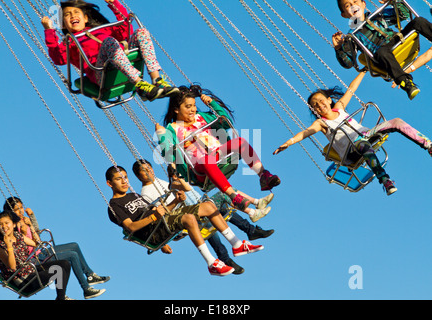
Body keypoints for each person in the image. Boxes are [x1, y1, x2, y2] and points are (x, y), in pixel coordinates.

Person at [273, 71, 432, 195]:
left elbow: (351, 88)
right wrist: (288, 143)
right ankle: (385, 180)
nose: (320, 105)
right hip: (350, 151)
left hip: (366, 135)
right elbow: (306, 132)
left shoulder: (340, 107)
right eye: (316, 105)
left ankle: (429, 146)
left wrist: (363, 70)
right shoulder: (321, 123)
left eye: (321, 101)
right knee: (362, 144)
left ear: (329, 100)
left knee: (396, 121)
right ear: (315, 111)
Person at [106, 165, 264, 276]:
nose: (124, 181)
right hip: (154, 230)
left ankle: (236, 244)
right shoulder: (114, 205)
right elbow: (131, 226)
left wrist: (176, 202)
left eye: (125, 178)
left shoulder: (134, 195)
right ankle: (212, 263)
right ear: (109, 183)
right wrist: (155, 219)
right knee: (188, 219)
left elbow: (160, 210)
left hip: (163, 220)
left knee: (208, 206)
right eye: (119, 179)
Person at [156, 84, 280, 213]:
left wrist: (212, 104)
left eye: (193, 105)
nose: (193, 109)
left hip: (219, 155)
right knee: (206, 159)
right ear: (176, 109)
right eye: (188, 107)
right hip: (200, 168)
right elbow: (168, 152)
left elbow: (225, 122)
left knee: (240, 142)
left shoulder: (202, 117)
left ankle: (263, 176)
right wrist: (161, 134)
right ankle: (233, 195)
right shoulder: (172, 129)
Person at [41, 0, 178, 102]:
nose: (72, 16)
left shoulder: (102, 30)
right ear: (63, 24)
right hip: (102, 73)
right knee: (109, 42)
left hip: (123, 61)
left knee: (141, 32)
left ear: (86, 18)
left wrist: (114, 4)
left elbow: (125, 30)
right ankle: (140, 84)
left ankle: (157, 79)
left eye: (76, 12)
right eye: (67, 15)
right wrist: (49, 30)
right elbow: (58, 58)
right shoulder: (69, 42)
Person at [3, 197, 109, 299]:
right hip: (35, 258)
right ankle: (86, 289)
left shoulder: (25, 221)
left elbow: (37, 238)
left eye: (21, 207)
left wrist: (31, 220)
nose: (20, 211)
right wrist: (24, 231)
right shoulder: (15, 228)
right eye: (16, 209)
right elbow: (25, 246)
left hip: (41, 252)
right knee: (72, 255)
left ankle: (90, 275)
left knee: (74, 245)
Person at [333, 0, 432, 100]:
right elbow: (348, 63)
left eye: (355, 1)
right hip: (382, 54)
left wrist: (392, 1)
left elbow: (404, 13)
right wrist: (339, 49)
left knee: (419, 21)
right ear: (344, 15)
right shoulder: (352, 36)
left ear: (363, 4)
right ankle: (405, 82)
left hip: (396, 41)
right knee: (381, 52)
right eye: (347, 5)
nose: (353, 6)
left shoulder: (378, 16)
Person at [0, 211, 72, 300]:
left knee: (65, 264)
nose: (4, 226)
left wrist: (30, 226)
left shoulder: (18, 236)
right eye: (0, 225)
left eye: (6, 223)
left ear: (14, 224)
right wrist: (9, 246)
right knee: (58, 270)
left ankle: (60, 297)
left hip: (31, 271)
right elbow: (12, 267)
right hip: (23, 280)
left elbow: (36, 243)